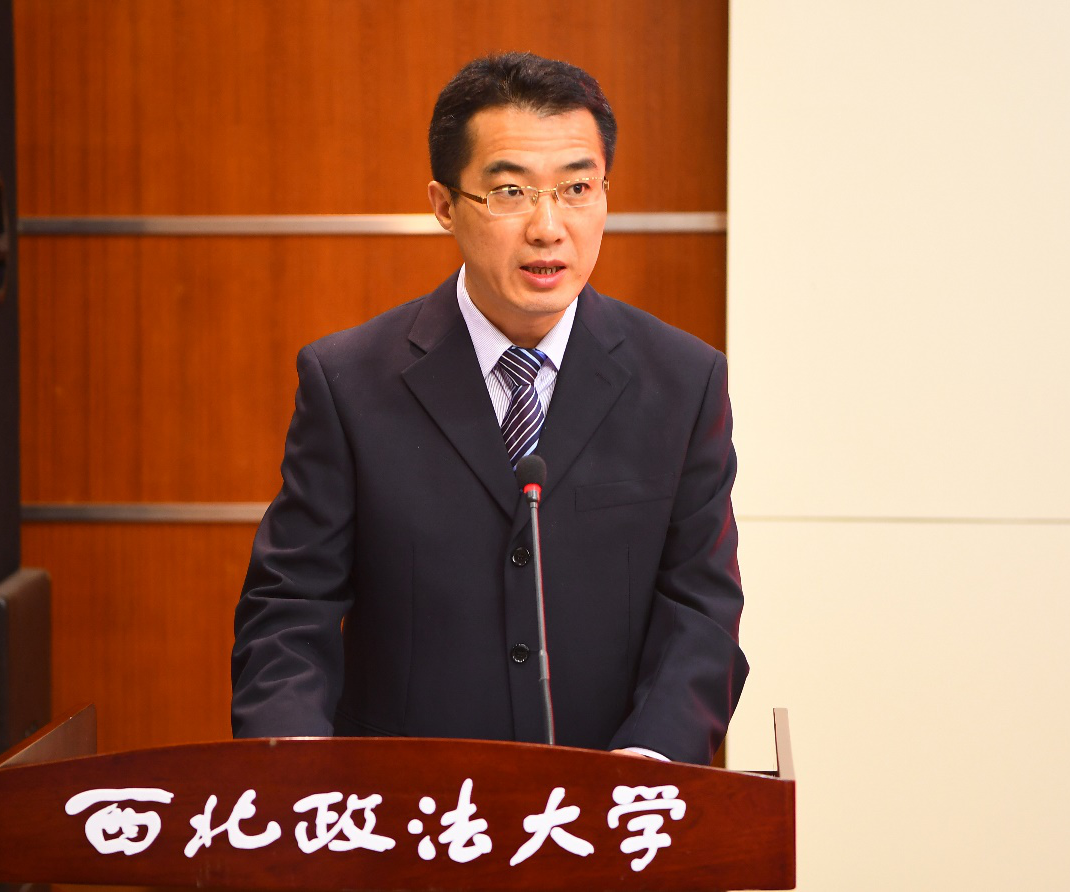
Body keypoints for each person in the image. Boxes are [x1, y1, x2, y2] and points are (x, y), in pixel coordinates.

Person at [231, 52, 747, 766]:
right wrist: (296, 771)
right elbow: (291, 609)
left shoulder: (684, 381)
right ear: (445, 205)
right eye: (510, 191)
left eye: (577, 188)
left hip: (604, 802)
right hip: (407, 806)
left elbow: (701, 609)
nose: (548, 227)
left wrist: (645, 769)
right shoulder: (349, 381)